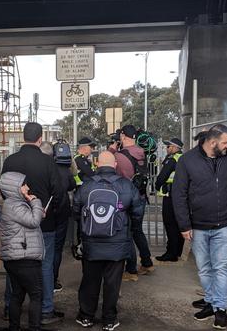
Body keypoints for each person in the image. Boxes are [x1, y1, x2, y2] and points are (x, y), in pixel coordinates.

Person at [171, 124, 227, 330]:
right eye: (225, 142)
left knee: (221, 266)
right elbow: (178, 195)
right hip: (197, 227)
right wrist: (184, 225)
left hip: (224, 223)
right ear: (212, 142)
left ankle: (220, 309)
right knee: (205, 268)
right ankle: (212, 302)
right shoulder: (187, 160)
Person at [73, 152, 144, 331]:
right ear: (114, 164)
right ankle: (109, 320)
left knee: (90, 281)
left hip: (91, 243)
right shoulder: (126, 185)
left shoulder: (87, 185)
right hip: (118, 243)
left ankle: (86, 316)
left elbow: (76, 210)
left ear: (97, 164)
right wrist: (130, 230)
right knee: (112, 284)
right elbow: (137, 212)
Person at [2, 122, 63, 325]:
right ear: (40, 138)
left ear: (23, 136)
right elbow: (59, 192)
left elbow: (4, 188)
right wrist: (49, 211)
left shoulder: (10, 161)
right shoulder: (47, 162)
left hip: (15, 224)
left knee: (14, 267)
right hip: (43, 224)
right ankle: (45, 310)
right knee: (44, 267)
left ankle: (10, 310)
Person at [0, 172, 45, 331]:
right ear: (14, 188)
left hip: (15, 257)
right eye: (24, 185)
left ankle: (14, 327)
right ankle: (34, 328)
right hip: (25, 258)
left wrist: (36, 209)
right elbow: (33, 221)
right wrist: (36, 202)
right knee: (36, 295)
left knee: (17, 294)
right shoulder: (15, 205)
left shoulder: (11, 204)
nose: (27, 187)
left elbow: (28, 221)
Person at [109, 125, 153, 281]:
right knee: (137, 231)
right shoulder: (141, 153)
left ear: (122, 136)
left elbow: (111, 170)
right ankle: (147, 262)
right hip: (141, 197)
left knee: (127, 234)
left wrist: (112, 151)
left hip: (127, 199)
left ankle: (131, 270)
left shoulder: (120, 156)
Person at [50, 142, 76, 293]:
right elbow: (72, 185)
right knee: (57, 249)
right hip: (62, 210)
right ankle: (53, 280)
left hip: (46, 212)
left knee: (45, 247)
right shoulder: (66, 170)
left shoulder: (47, 168)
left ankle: (44, 279)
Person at [154, 137, 184, 262]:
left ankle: (171, 253)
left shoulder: (172, 160)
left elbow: (162, 177)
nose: (167, 148)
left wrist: (157, 186)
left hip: (170, 196)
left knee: (170, 224)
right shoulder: (183, 158)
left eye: (168, 146)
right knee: (178, 225)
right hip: (180, 196)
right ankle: (177, 251)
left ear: (175, 148)